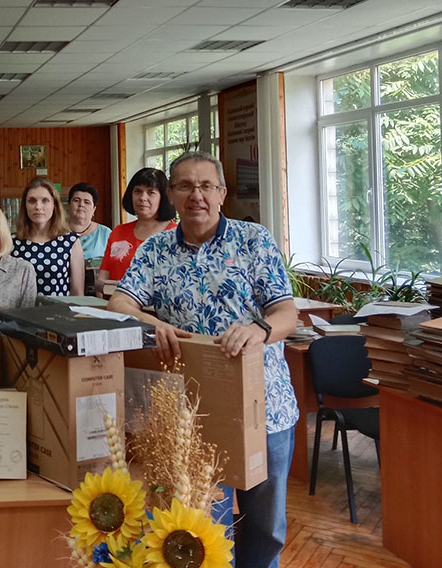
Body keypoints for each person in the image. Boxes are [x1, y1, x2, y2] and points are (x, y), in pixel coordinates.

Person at [108, 151, 299, 568]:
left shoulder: (254, 241)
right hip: (190, 415)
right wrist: (148, 321)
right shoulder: (156, 249)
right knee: (198, 529)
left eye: (206, 186)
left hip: (264, 409)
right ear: (171, 195)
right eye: (186, 186)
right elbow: (119, 301)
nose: (197, 195)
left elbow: (287, 313)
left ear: (222, 193)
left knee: (265, 528)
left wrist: (258, 330)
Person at [95, 167, 176, 295]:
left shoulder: (175, 235)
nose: (142, 197)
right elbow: (101, 279)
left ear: (164, 197)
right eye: (137, 191)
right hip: (115, 309)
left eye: (151, 193)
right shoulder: (118, 232)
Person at [11, 176, 85, 297]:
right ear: (25, 206)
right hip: (21, 313)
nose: (38, 207)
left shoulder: (70, 242)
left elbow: (77, 293)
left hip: (59, 313)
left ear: (54, 205)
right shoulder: (13, 242)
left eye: (45, 200)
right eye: (32, 201)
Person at [67, 182, 112, 261]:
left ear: (94, 209)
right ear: (69, 205)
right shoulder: (56, 231)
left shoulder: (105, 234)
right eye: (76, 200)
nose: (81, 205)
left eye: (87, 202)